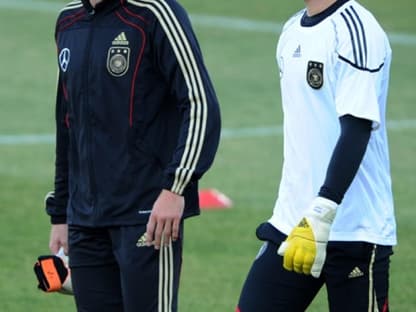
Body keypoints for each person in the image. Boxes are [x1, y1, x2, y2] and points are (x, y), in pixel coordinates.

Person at [44, 0, 221, 311]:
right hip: (85, 220)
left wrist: (176, 188)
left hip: (149, 216)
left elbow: (200, 104)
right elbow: (67, 122)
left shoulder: (155, 13)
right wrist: (61, 213)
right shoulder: (68, 21)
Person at [236, 0, 396, 311]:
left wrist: (323, 211)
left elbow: (357, 129)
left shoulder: (356, 28)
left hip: (353, 230)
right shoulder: (291, 29)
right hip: (292, 226)